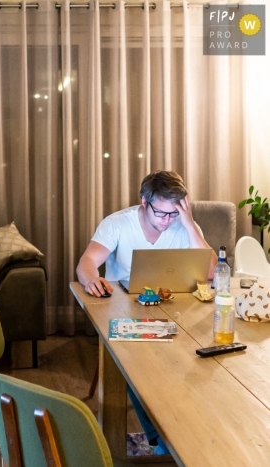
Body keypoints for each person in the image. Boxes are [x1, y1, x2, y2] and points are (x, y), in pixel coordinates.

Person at [76, 170, 214, 454]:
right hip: (127, 311)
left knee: (204, 357)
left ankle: (197, 429)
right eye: (161, 213)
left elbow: (211, 271)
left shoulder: (183, 224)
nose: (167, 221)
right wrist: (92, 279)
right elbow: (87, 262)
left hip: (178, 311)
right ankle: (161, 438)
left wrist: (188, 224)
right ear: (143, 201)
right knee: (139, 366)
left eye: (173, 214)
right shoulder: (117, 223)